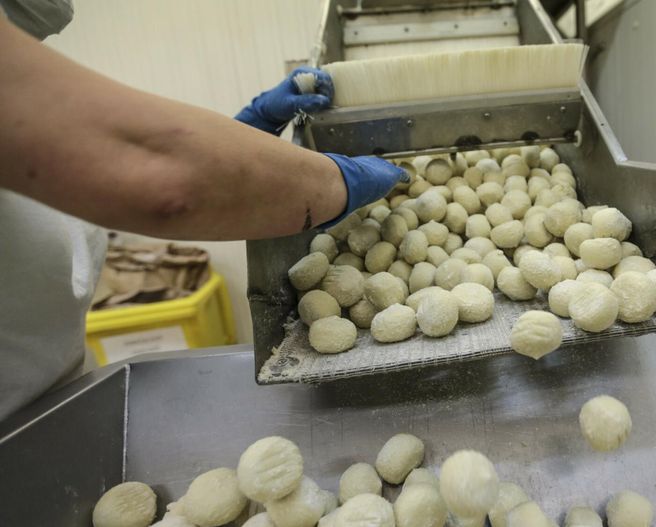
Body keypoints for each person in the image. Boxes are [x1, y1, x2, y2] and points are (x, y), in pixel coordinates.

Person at [0, 3, 407, 420]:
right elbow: (162, 175)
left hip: (51, 396)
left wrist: (252, 128)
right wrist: (336, 182)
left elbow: (96, 161)